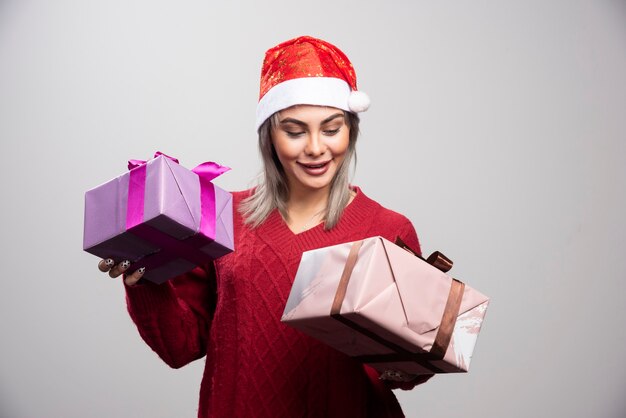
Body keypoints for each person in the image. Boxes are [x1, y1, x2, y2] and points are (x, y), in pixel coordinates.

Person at [98, 35, 433, 418]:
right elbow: (180, 348)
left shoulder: (388, 228)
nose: (315, 147)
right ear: (269, 136)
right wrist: (146, 282)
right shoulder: (223, 217)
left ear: (350, 131)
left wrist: (408, 362)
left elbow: (406, 369)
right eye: (294, 131)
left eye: (331, 128)